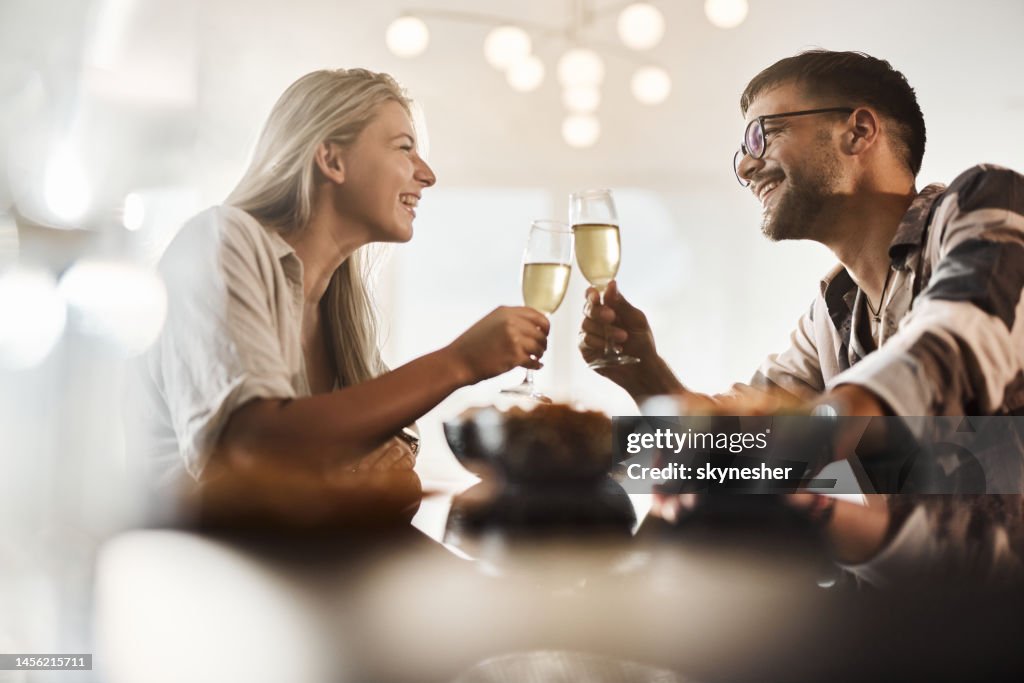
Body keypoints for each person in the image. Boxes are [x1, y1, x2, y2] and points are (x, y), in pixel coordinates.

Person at [579, 50, 1024, 582]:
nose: (745, 166)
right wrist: (643, 373)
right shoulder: (834, 310)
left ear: (858, 132)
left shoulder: (983, 203)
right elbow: (739, 441)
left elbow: (957, 338)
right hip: (897, 633)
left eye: (760, 136)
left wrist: (822, 432)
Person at [127, 68, 550, 511]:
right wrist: (459, 361)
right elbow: (252, 448)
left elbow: (376, 467)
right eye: (405, 148)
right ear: (331, 160)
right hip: (199, 573)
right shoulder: (218, 240)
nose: (427, 175)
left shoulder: (340, 310)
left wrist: (381, 480)